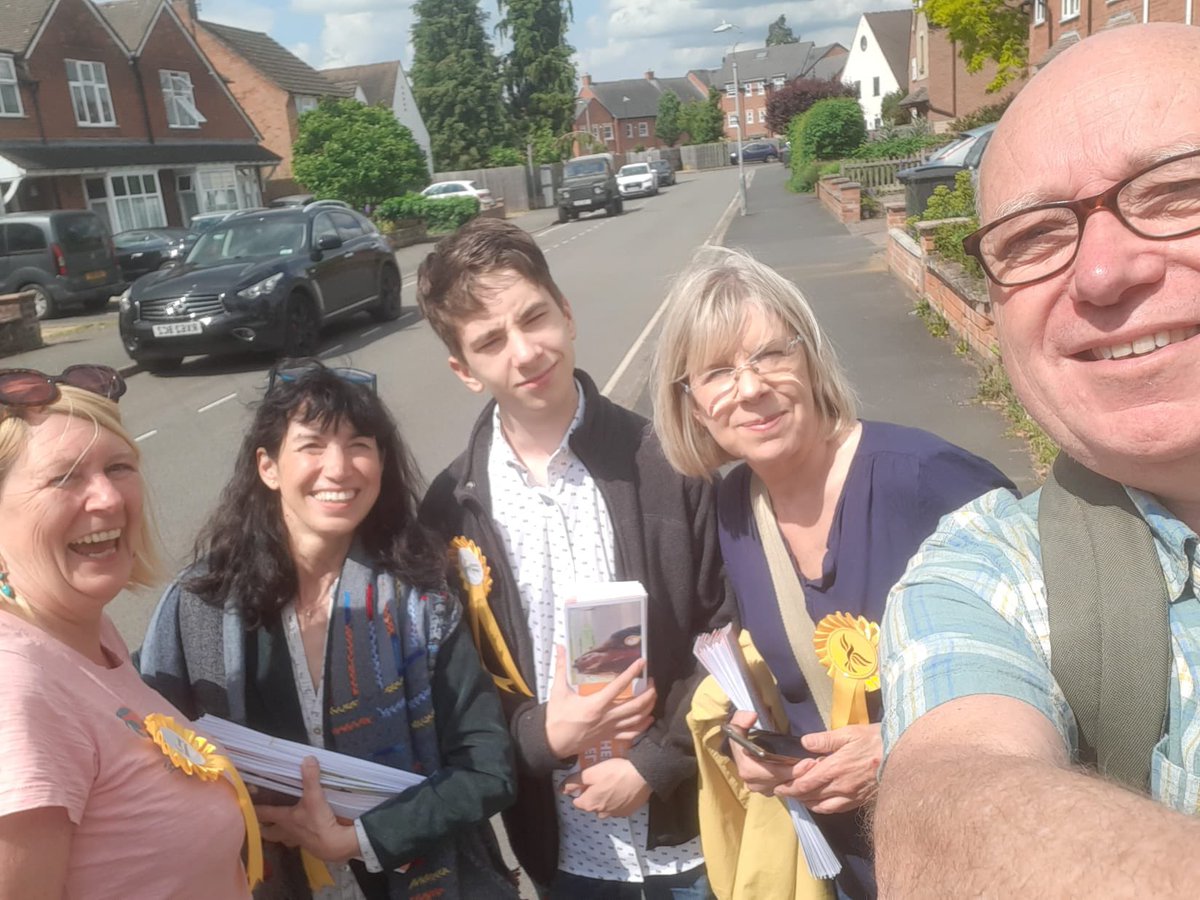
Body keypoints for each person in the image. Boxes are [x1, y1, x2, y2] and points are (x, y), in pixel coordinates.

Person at [873, 22, 1200, 896]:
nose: (1101, 273)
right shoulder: (986, 574)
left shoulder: (911, 469)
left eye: (1176, 191)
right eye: (1032, 239)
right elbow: (946, 812)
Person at [651, 246, 1015, 899]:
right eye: (717, 373)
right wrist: (752, 744)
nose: (752, 386)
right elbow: (782, 673)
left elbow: (1067, 660)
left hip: (978, 852)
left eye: (770, 354)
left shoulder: (931, 481)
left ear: (811, 356)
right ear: (695, 405)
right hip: (848, 870)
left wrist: (906, 750)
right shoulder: (735, 509)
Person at [416, 218, 736, 898]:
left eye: (534, 317)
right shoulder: (449, 511)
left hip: (696, 837)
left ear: (566, 310)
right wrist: (541, 735)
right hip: (563, 855)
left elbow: (728, 628)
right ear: (463, 369)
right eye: (491, 342)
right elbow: (453, 692)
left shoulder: (670, 461)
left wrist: (654, 761)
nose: (525, 351)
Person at [139, 360, 518, 900]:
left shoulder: (424, 600)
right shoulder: (197, 607)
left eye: (359, 444)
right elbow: (153, 767)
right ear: (268, 467)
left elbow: (487, 770)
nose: (338, 468)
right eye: (313, 445)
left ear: (382, 463)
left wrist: (361, 838)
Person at [0, 365, 252, 899]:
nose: (109, 499)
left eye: (118, 467)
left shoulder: (87, 632)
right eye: (64, 477)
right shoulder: (16, 689)